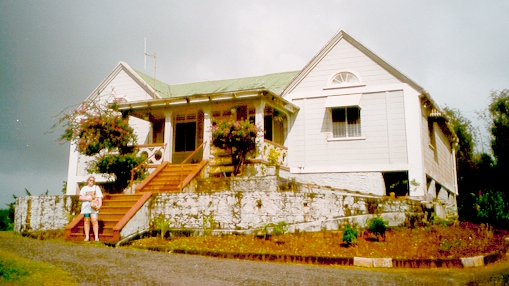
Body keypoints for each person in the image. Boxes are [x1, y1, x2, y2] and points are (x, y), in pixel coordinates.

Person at [79, 176, 103, 241]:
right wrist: (87, 198)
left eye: (93, 180)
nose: (91, 182)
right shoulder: (84, 188)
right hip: (86, 207)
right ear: (88, 181)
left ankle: (96, 237)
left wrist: (100, 204)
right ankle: (87, 236)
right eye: (90, 180)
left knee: (94, 220)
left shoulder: (96, 188)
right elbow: (80, 197)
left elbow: (99, 196)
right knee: (86, 220)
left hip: (94, 207)